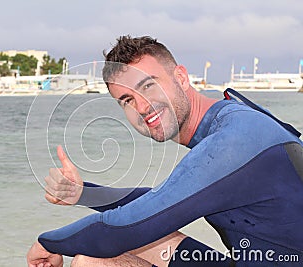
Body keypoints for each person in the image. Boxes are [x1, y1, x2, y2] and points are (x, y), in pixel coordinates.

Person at [27, 35, 303, 266]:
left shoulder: (234, 140)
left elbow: (123, 228)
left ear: (181, 77)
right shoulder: (232, 120)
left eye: (149, 85)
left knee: (91, 261)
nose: (143, 106)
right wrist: (84, 193)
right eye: (127, 100)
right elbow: (161, 202)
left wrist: (47, 242)